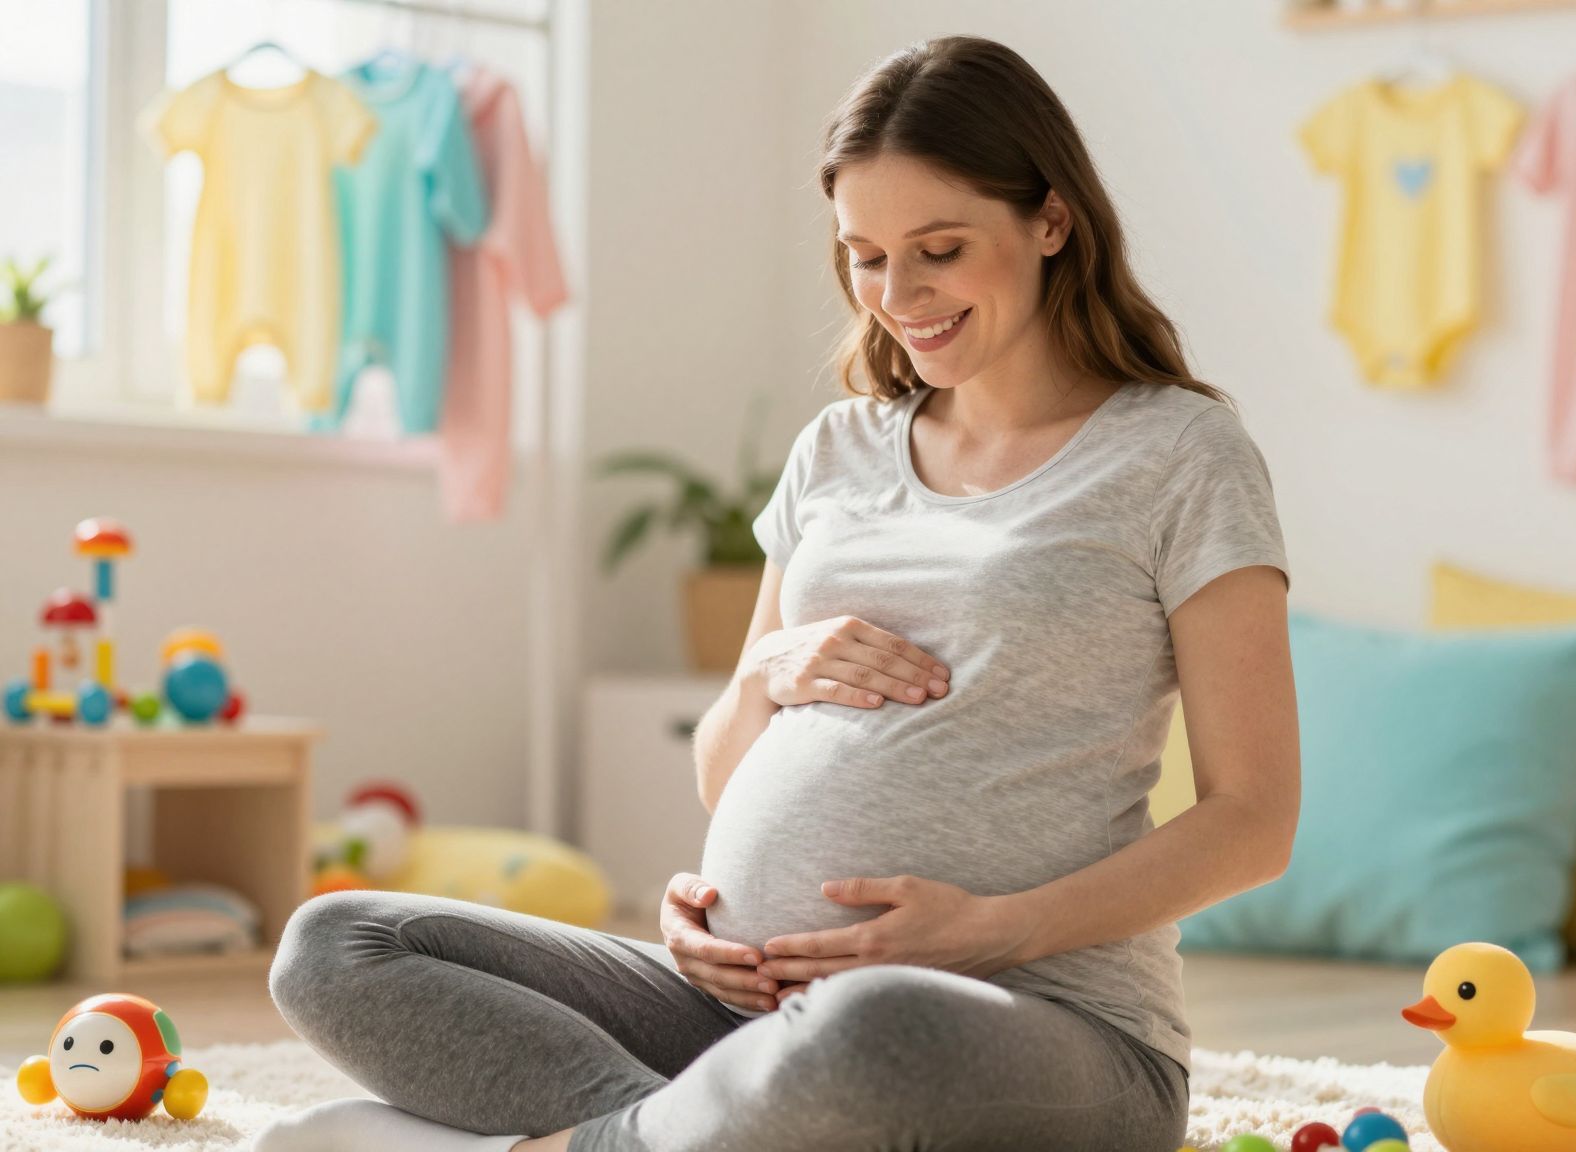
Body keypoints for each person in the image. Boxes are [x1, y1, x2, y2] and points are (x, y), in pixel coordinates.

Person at [257, 34, 1298, 1152]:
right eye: (865, 256)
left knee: (870, 1030)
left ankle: (593, 1138)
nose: (898, 296)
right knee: (338, 945)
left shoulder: (1179, 453)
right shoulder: (837, 451)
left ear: (1052, 220)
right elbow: (725, 772)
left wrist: (989, 931)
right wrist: (760, 692)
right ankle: (686, 1132)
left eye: (940, 250)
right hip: (736, 1007)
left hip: (1030, 1024)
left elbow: (1254, 820)